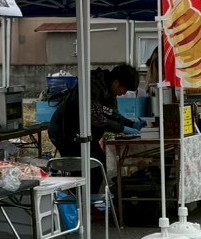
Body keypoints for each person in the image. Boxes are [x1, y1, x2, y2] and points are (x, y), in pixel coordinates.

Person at [49, 63, 142, 191]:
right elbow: (96, 118)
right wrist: (122, 129)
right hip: (65, 132)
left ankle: (87, 198)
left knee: (97, 166)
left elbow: (112, 114)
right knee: (83, 169)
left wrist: (131, 124)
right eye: (124, 89)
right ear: (116, 82)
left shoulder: (109, 91)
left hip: (84, 134)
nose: (123, 93)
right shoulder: (92, 87)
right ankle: (79, 200)